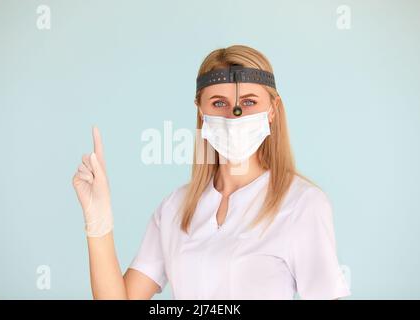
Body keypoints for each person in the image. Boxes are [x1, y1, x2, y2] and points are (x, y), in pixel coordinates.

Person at [72, 45, 351, 300]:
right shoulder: (175, 209)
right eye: (219, 103)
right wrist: (99, 224)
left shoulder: (302, 205)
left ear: (273, 110)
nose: (234, 116)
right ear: (201, 111)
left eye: (249, 102)